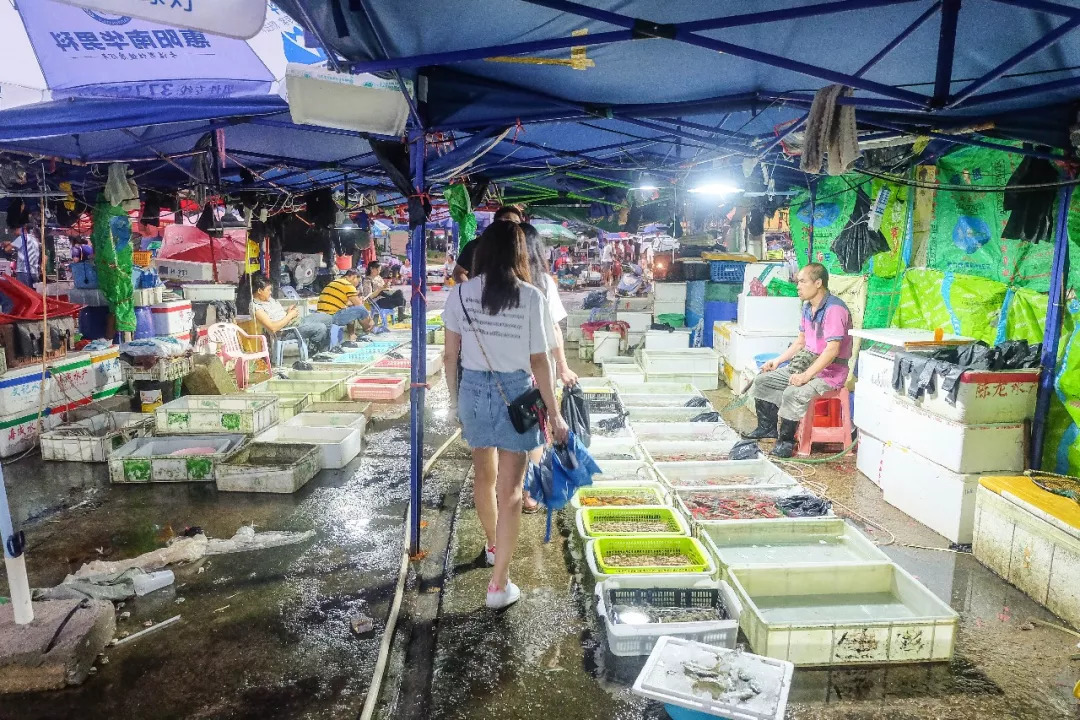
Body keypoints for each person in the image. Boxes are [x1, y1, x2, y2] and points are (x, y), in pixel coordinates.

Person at [443, 221, 569, 610]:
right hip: (517, 393)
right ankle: (498, 586)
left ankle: (494, 546)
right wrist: (555, 413)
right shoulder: (532, 297)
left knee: (484, 474)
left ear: (481, 253)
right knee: (512, 491)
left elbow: (450, 357)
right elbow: (540, 362)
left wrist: (454, 402)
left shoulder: (460, 295)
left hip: (474, 392)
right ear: (518, 253)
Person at [743, 263, 853, 457]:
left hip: (829, 373)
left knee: (793, 392)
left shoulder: (835, 309)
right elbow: (800, 342)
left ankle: (786, 441)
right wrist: (777, 361)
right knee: (763, 381)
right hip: (805, 365)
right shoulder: (806, 307)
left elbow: (832, 350)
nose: (798, 286)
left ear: (818, 283)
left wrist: (805, 376)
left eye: (802, 281)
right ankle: (767, 429)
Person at [520, 222, 578, 513]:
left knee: (510, 434)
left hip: (504, 368)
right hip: (536, 368)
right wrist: (563, 367)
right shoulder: (541, 282)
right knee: (536, 430)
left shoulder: (497, 280)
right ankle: (529, 494)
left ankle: (510, 489)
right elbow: (554, 328)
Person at [249, 274, 330, 354]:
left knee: (327, 318)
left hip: (294, 322)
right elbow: (273, 328)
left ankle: (324, 351)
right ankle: (312, 354)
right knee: (320, 328)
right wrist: (290, 315)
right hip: (286, 332)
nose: (270, 292)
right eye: (268, 290)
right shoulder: (256, 307)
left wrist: (288, 312)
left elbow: (278, 316)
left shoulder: (268, 299)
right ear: (259, 291)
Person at [452, 206, 524, 284]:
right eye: (507, 220)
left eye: (516, 223)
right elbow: (458, 273)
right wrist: (472, 291)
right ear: (496, 222)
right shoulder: (476, 245)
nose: (511, 225)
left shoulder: (522, 247)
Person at [309, 269, 374, 342]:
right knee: (361, 310)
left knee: (351, 310)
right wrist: (370, 320)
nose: (357, 285)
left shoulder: (334, 282)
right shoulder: (348, 285)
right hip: (332, 316)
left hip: (322, 315)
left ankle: (352, 335)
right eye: (358, 282)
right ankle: (367, 331)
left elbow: (343, 303)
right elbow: (359, 305)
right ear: (354, 277)